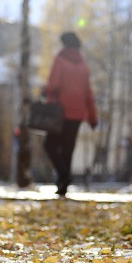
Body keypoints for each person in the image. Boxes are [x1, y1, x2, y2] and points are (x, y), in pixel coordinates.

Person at [43, 31, 98, 197]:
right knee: (68, 149)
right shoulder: (83, 66)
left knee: (50, 145)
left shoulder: (60, 60)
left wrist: (45, 93)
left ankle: (64, 175)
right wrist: (93, 117)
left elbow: (53, 84)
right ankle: (63, 185)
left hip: (60, 112)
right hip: (78, 114)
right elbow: (88, 93)